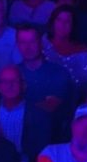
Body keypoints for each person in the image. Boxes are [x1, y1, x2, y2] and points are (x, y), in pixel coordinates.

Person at [16, 26, 74, 154]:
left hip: (52, 142)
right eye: (22, 42)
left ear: (40, 43)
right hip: (18, 142)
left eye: (32, 41)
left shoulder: (59, 73)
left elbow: (50, 107)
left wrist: (21, 105)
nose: (28, 47)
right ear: (17, 45)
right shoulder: (13, 73)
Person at [43, 5, 87, 87]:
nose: (62, 25)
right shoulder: (42, 43)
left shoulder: (82, 51)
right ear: (52, 22)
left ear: (73, 25)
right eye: (59, 20)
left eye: (67, 21)